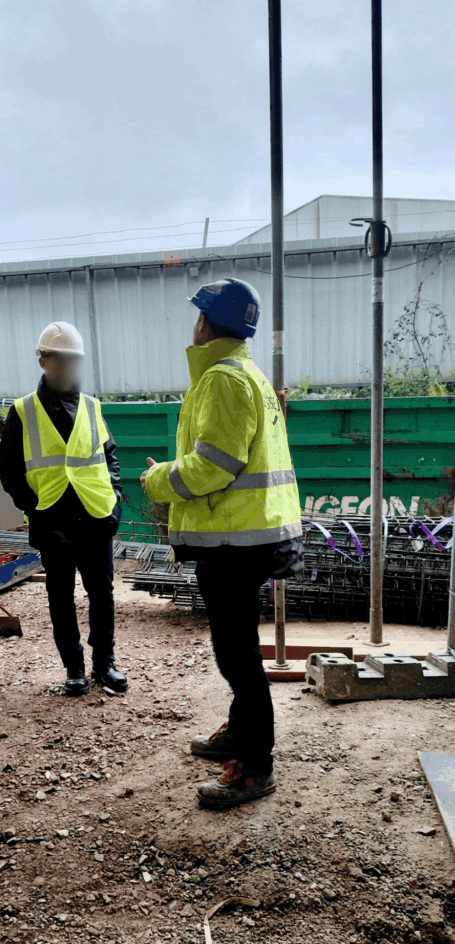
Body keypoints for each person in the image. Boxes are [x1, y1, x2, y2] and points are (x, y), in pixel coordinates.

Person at [141, 278, 303, 809]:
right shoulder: (247, 375)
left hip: (235, 543)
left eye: (197, 316)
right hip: (246, 538)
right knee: (236, 650)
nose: (194, 324)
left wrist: (158, 479)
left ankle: (256, 766)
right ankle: (239, 735)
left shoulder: (222, 380)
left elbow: (214, 465)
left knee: (238, 656)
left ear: (207, 323)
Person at [0, 322, 128, 696]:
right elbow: (8, 470)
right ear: (43, 360)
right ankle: (74, 669)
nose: (71, 367)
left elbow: (109, 457)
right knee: (61, 596)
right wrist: (35, 508)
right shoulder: (23, 411)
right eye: (63, 359)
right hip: (52, 519)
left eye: (75, 360)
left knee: (101, 595)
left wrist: (114, 501)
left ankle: (105, 664)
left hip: (96, 517)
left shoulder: (91, 406)